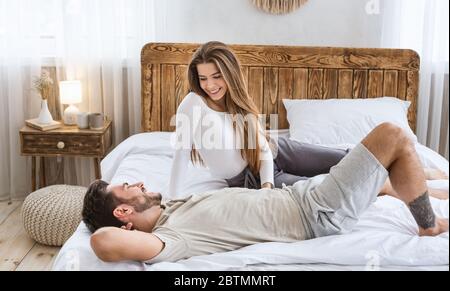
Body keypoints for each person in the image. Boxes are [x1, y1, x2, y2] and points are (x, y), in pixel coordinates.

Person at [82, 123, 449, 263]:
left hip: (306, 194)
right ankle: (429, 226)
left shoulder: (173, 208)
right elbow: (102, 242)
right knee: (393, 136)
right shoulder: (171, 239)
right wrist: (106, 223)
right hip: (317, 212)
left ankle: (427, 191)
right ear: (122, 214)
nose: (139, 183)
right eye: (128, 187)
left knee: (388, 161)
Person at [169, 41, 447, 199]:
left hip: (275, 150)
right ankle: (427, 194)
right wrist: (171, 201)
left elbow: (262, 148)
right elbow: (180, 155)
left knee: (348, 158)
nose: (210, 85)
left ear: (229, 75)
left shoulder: (236, 103)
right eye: (203, 78)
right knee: (342, 181)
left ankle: (424, 172)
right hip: (248, 180)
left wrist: (267, 183)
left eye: (217, 76)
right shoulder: (192, 104)